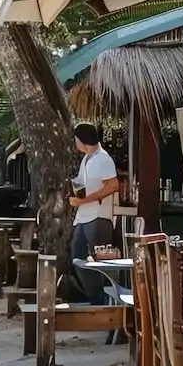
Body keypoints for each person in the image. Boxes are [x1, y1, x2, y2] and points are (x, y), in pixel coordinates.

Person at [68, 122, 119, 303]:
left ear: (82, 140)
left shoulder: (103, 159)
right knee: (76, 256)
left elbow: (113, 185)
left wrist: (85, 199)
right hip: (83, 216)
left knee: (100, 259)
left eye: (76, 139)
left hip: (98, 216)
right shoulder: (87, 159)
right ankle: (95, 295)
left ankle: (105, 298)